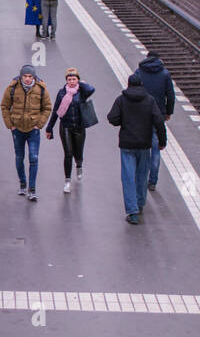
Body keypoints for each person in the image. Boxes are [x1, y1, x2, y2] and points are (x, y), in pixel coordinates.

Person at [106, 72, 166, 224]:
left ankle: (132, 212)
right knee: (141, 175)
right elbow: (159, 120)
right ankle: (140, 203)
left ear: (128, 84)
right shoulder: (150, 100)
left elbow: (112, 118)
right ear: (141, 85)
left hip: (127, 144)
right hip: (144, 144)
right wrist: (162, 140)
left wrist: (123, 121)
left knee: (127, 178)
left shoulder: (122, 100)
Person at [0, 64, 51, 202]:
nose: (27, 79)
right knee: (19, 157)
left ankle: (32, 189)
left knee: (33, 158)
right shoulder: (12, 88)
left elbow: (47, 108)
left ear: (33, 77)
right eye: (25, 76)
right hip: (17, 129)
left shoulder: (41, 89)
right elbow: (4, 106)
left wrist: (39, 124)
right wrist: (10, 124)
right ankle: (23, 183)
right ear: (21, 76)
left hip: (33, 130)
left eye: (30, 76)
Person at [45, 68, 96, 194]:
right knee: (68, 154)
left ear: (78, 79)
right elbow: (56, 110)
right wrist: (49, 127)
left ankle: (79, 165)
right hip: (66, 127)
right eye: (69, 79)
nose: (72, 82)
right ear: (66, 80)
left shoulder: (82, 91)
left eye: (74, 79)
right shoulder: (62, 93)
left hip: (79, 127)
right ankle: (67, 181)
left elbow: (92, 89)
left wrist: (82, 83)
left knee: (78, 154)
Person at [135, 51, 176, 190]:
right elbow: (170, 96)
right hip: (158, 113)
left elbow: (133, 91)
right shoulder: (165, 74)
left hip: (141, 114)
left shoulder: (139, 71)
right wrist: (168, 112)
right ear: (159, 59)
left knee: (140, 146)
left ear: (146, 58)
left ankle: (139, 176)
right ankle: (152, 181)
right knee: (156, 148)